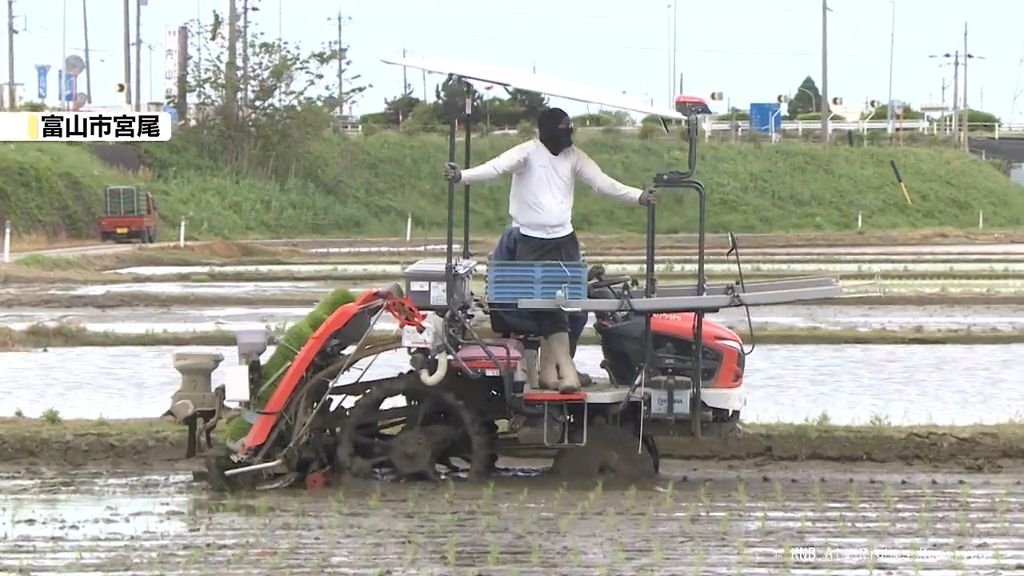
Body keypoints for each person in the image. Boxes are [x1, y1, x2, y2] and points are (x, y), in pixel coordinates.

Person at [444, 107, 654, 393]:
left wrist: (638, 196)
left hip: (565, 240)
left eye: (569, 131)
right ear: (546, 132)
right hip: (532, 242)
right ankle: (566, 371)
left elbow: (601, 182)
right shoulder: (528, 153)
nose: (566, 137)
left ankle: (547, 372)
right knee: (547, 307)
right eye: (561, 131)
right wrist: (462, 176)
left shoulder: (574, 156)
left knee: (569, 306)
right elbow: (495, 167)